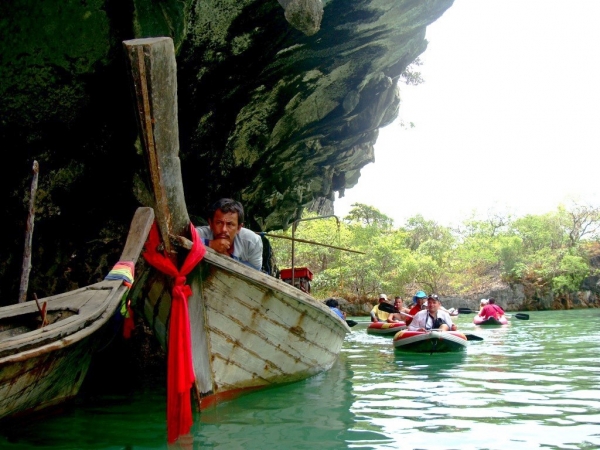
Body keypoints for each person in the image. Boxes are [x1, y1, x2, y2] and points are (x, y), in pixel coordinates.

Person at [196, 198, 263, 270]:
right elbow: (184, 238)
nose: (223, 229)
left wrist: (228, 258)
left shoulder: (252, 242)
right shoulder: (201, 233)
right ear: (211, 224)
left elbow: (255, 271)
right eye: (219, 223)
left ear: (239, 228)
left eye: (230, 224)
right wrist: (209, 244)